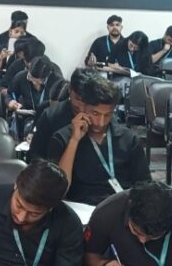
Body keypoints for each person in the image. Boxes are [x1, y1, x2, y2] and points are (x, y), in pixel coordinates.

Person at [44, 77, 150, 205]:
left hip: (121, 206)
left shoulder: (129, 139)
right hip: (80, 207)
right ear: (82, 107)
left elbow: (144, 185)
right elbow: (58, 190)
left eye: (108, 115)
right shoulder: (62, 138)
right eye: (95, 113)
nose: (101, 122)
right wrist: (74, 140)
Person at [26, 68, 94, 161]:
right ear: (69, 90)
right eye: (78, 99)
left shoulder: (99, 115)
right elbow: (35, 153)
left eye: (86, 101)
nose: (81, 107)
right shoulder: (51, 115)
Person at [6, 56, 61, 138]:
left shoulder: (57, 83)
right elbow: (10, 94)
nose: (33, 83)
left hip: (47, 119)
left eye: (38, 81)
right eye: (30, 78)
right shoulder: (21, 77)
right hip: (27, 116)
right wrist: (10, 101)